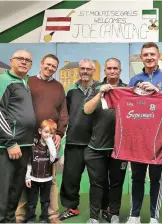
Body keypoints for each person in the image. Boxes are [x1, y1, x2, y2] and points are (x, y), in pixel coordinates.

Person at [126, 42, 162, 223]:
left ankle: (154, 217)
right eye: (145, 54)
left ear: (158, 56)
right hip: (138, 139)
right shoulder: (134, 80)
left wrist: (157, 93)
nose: (149, 57)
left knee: (156, 179)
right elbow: (129, 107)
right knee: (137, 178)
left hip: (159, 139)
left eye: (152, 54)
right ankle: (134, 215)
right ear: (141, 57)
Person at [0, 50, 36, 223]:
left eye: (28, 60)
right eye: (20, 59)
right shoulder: (2, 81)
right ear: (11, 61)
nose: (24, 62)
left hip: (24, 146)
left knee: (15, 190)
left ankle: (8, 220)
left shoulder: (24, 82)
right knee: (0, 190)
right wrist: (10, 142)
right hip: (7, 146)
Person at [16, 53, 68, 224]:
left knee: (50, 178)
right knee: (26, 175)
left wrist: (59, 133)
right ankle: (21, 215)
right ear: (41, 64)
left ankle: (52, 215)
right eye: (48, 64)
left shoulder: (59, 87)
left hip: (49, 139)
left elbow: (63, 113)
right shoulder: (28, 82)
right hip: (28, 137)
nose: (50, 68)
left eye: (53, 66)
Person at [83, 58, 128, 223]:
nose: (112, 71)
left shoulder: (127, 89)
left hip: (120, 147)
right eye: (109, 68)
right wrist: (100, 93)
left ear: (120, 70)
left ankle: (113, 213)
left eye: (115, 68)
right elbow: (87, 110)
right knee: (96, 183)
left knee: (116, 183)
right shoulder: (95, 88)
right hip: (97, 147)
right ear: (105, 71)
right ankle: (94, 217)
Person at [59, 58, 99, 221]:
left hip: (95, 143)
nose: (84, 71)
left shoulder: (99, 89)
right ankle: (71, 208)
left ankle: (100, 209)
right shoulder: (71, 91)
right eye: (82, 68)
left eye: (88, 69)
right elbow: (64, 114)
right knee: (70, 177)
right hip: (74, 141)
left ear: (93, 71)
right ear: (78, 70)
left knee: (98, 180)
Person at [25, 119, 60, 223]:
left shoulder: (52, 147)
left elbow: (53, 158)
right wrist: (27, 177)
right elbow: (29, 162)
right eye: (46, 132)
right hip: (33, 178)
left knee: (45, 201)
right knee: (32, 202)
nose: (48, 135)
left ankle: (44, 219)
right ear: (40, 131)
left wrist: (50, 143)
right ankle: (30, 219)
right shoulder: (33, 146)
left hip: (47, 179)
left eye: (51, 133)